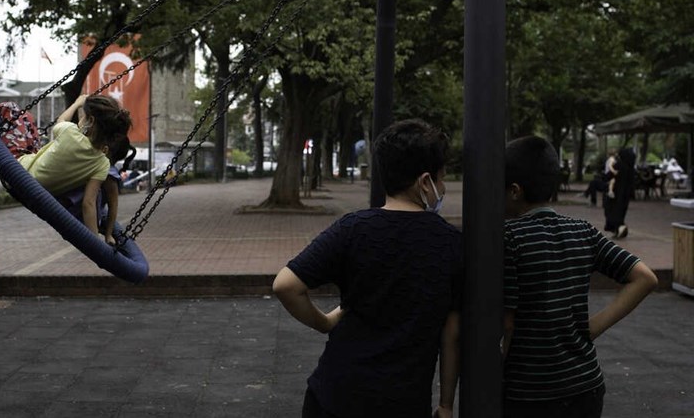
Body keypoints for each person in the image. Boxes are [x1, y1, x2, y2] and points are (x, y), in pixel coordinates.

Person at [273, 119, 462, 418]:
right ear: (425, 182)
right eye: (441, 179)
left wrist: (324, 322)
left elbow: (285, 285)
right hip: (402, 401)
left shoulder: (353, 228)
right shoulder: (452, 243)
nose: (443, 187)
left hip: (335, 393)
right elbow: (451, 333)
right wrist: (447, 404)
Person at [502, 136, 657, 418]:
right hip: (585, 384)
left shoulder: (510, 237)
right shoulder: (582, 231)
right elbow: (645, 278)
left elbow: (508, 325)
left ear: (514, 191)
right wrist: (592, 327)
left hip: (529, 391)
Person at [0, 94, 131, 239]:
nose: (79, 119)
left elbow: (60, 120)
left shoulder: (71, 134)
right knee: (27, 121)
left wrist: (78, 102)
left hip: (17, 169)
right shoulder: (102, 163)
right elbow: (89, 203)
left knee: (10, 110)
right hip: (32, 179)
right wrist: (94, 237)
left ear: (90, 121)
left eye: (83, 116)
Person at [603, 147, 635, 239]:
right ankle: (619, 229)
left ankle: (620, 228)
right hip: (625, 195)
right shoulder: (631, 168)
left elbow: (609, 176)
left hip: (616, 193)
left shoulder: (620, 165)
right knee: (620, 212)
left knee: (611, 211)